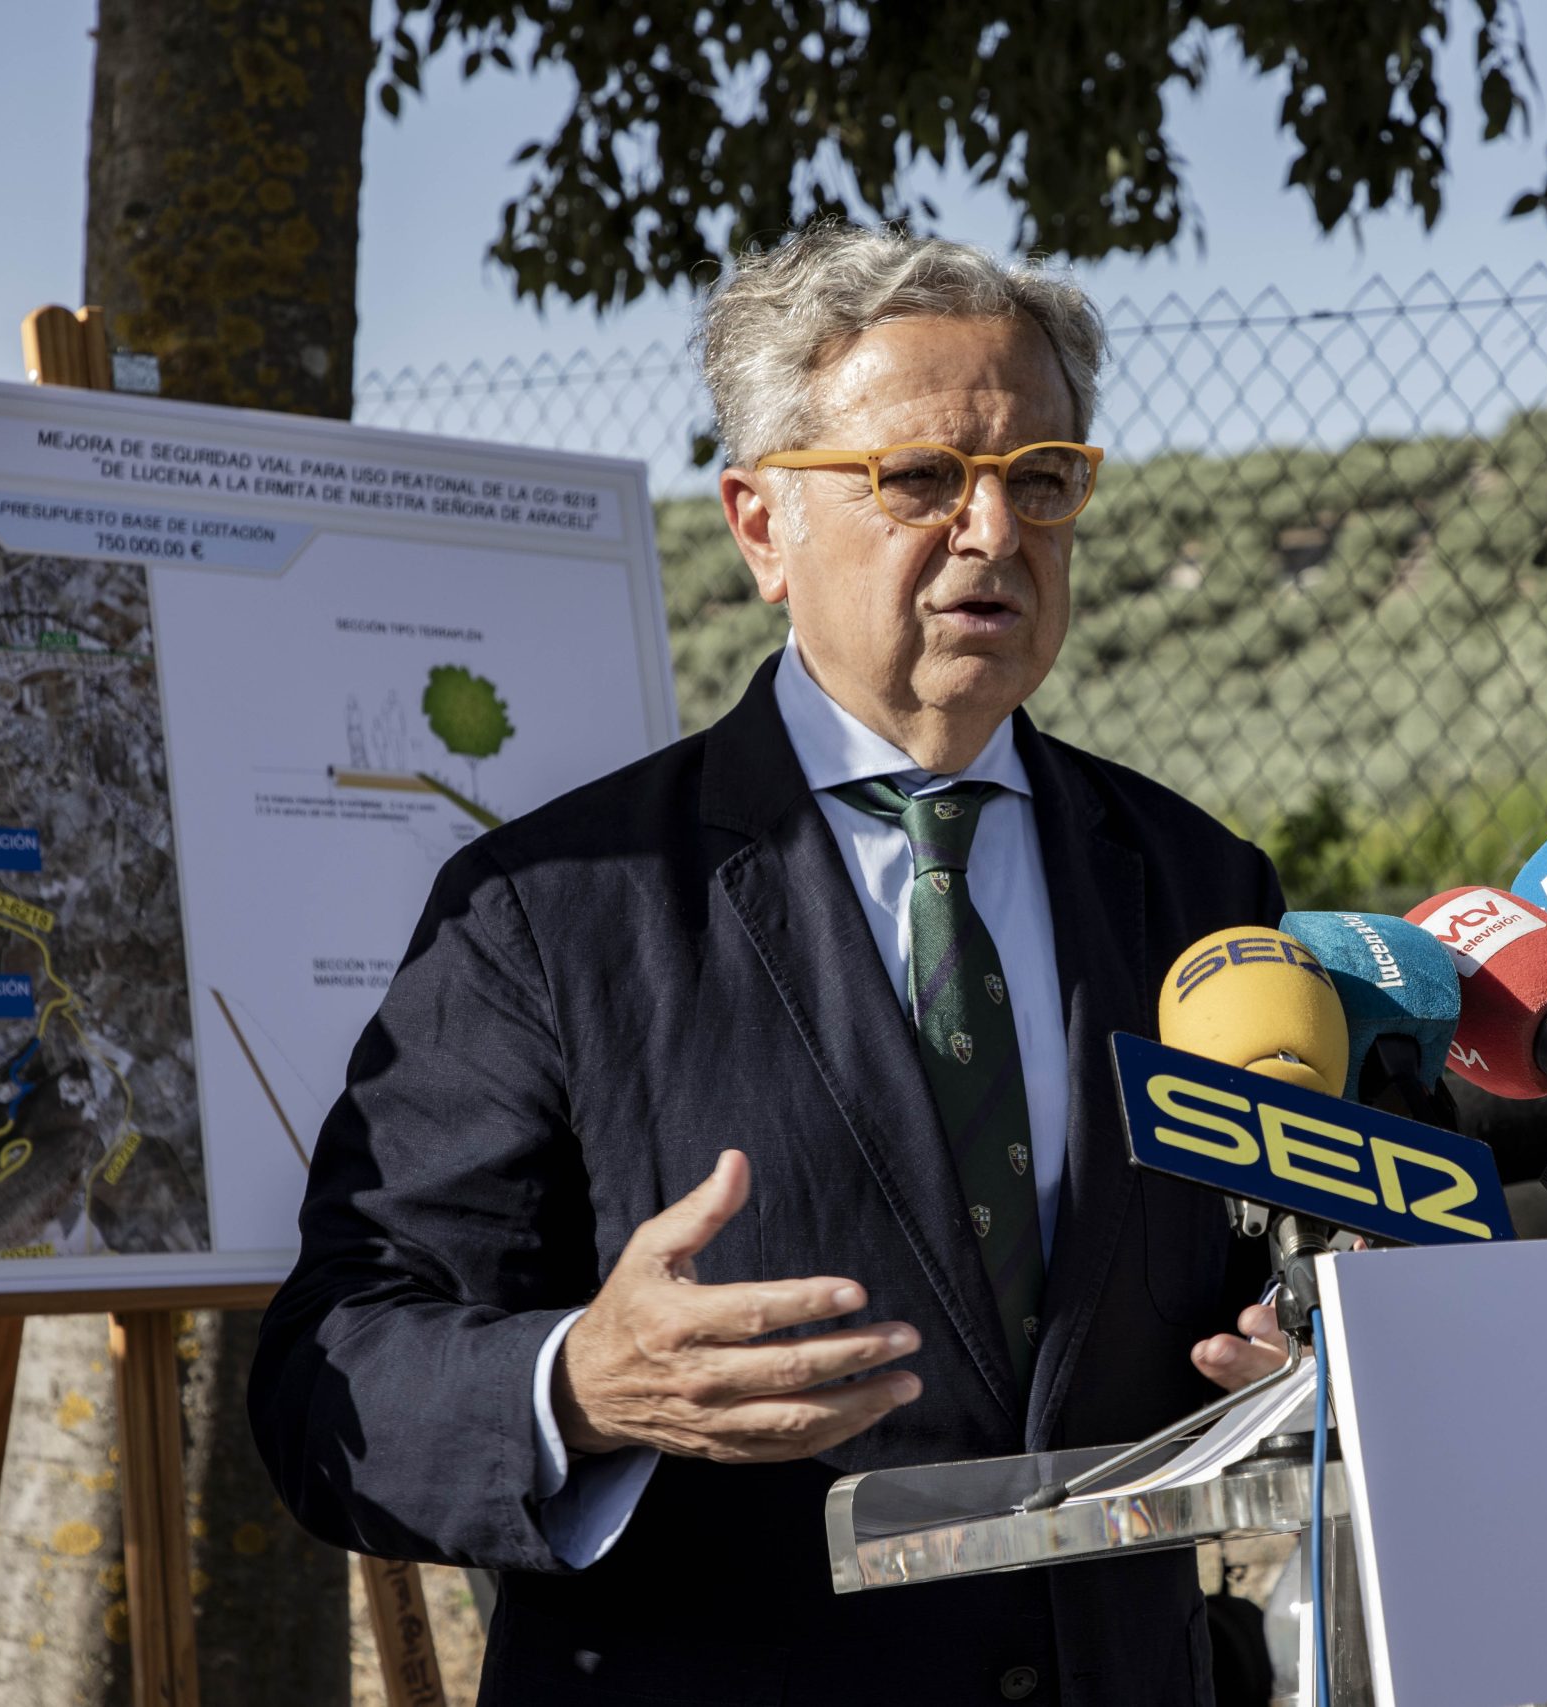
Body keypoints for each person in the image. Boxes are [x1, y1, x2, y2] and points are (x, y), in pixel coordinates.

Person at [250, 223, 1292, 1706]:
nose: (995, 532)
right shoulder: (552, 908)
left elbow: (1261, 1262)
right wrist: (580, 1385)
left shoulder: (1198, 885)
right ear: (758, 528)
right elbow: (330, 1375)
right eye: (921, 478)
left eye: (1040, 479)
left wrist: (1312, 1345)